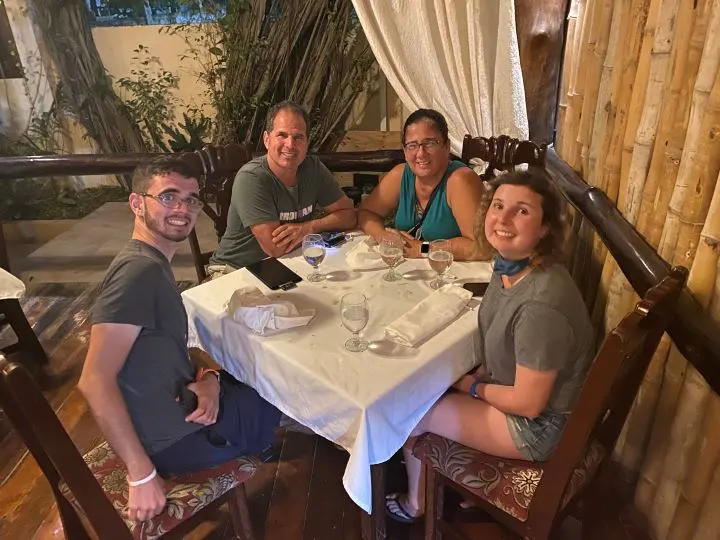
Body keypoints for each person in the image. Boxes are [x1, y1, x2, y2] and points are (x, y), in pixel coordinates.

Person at [384, 169, 596, 523]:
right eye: (498, 205)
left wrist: (469, 385)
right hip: (514, 390)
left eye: (522, 211)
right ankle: (451, 475)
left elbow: (528, 405)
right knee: (428, 387)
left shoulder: (540, 305)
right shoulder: (510, 265)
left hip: (538, 428)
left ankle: (416, 503)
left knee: (409, 413)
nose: (504, 219)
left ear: (545, 229)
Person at [78, 157, 282, 523]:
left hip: (181, 407)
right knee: (280, 388)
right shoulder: (138, 273)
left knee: (243, 370)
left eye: (191, 200)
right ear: (137, 203)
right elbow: (94, 379)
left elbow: (174, 349)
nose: (183, 209)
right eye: (168, 197)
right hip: (174, 442)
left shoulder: (151, 262)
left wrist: (208, 379)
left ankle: (249, 429)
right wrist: (141, 474)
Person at [209, 100, 356, 274]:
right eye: (282, 135)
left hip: (285, 266)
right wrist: (318, 229)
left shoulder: (313, 168)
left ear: (306, 142)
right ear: (266, 139)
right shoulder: (252, 178)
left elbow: (350, 216)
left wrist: (309, 228)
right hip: (234, 271)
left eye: (298, 137)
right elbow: (275, 249)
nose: (290, 145)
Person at [358, 108, 488, 261]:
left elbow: (481, 248)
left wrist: (423, 249)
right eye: (412, 145)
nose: (420, 153)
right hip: (414, 271)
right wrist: (383, 236)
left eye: (430, 143)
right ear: (405, 152)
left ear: (446, 147)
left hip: (455, 275)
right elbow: (365, 213)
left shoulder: (460, 180)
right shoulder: (400, 175)